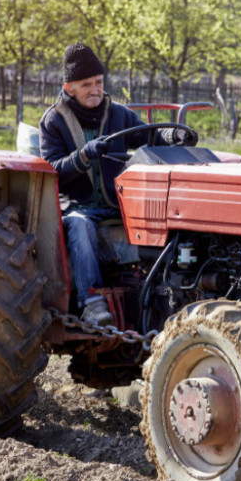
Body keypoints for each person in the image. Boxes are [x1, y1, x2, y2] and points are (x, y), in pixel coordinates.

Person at [39, 42, 194, 326]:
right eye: (86, 85)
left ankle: (165, 296)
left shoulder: (118, 114)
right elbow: (52, 171)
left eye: (99, 82)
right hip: (77, 207)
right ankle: (91, 303)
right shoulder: (54, 121)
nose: (95, 90)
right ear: (69, 88)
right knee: (80, 225)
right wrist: (84, 155)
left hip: (116, 204)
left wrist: (174, 136)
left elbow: (149, 136)